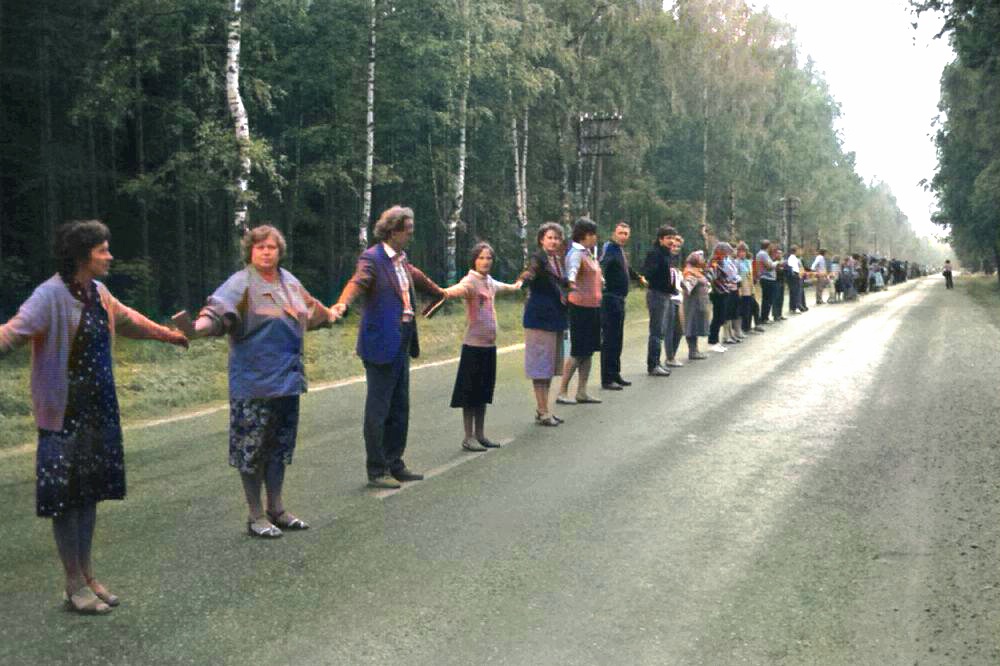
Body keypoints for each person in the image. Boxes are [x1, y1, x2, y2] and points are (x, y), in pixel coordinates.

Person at [0, 220, 188, 614]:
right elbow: (12, 333)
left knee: (88, 497)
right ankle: (72, 584)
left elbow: (130, 320)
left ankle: (87, 575)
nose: (109, 256)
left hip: (98, 410)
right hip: (63, 414)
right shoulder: (49, 295)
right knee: (67, 500)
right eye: (103, 250)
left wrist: (168, 335)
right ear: (84, 255)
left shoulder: (97, 292)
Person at [189, 225, 334, 537]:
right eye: (260, 247)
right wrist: (196, 328)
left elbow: (311, 308)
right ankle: (256, 515)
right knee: (251, 449)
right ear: (250, 252)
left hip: (287, 380)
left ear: (280, 251)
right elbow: (216, 312)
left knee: (279, 447)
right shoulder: (240, 283)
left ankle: (277, 508)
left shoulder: (289, 281)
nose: (266, 252)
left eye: (271, 247)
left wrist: (331, 315)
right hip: (253, 382)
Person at [331, 206, 445, 489]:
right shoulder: (373, 258)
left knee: (400, 406)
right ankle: (377, 469)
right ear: (393, 231)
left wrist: (443, 293)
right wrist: (343, 304)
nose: (411, 235)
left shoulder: (402, 261)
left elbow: (422, 281)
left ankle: (395, 463)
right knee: (379, 408)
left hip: (403, 339)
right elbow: (357, 282)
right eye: (408, 231)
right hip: (381, 342)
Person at [440, 242, 522, 451]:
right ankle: (469, 436)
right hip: (473, 346)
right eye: (481, 258)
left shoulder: (489, 282)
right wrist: (442, 293)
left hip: (489, 346)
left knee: (483, 393)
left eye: (488, 258)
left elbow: (505, 287)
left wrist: (518, 284)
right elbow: (458, 290)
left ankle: (480, 433)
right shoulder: (471, 281)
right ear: (474, 260)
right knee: (470, 394)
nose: (485, 262)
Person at [520, 222, 569, 427]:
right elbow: (530, 272)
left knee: (549, 367)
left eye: (557, 238)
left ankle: (544, 409)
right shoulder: (538, 258)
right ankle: (542, 410)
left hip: (555, 318)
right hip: (540, 319)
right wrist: (523, 280)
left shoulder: (557, 260)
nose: (553, 241)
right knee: (541, 367)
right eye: (549, 237)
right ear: (541, 239)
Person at [557, 218, 604, 405]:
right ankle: (562, 391)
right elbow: (572, 273)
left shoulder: (588, 254)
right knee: (577, 351)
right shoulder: (576, 253)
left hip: (593, 307)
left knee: (589, 350)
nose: (595, 238)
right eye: (593, 234)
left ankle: (582, 391)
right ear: (585, 235)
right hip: (580, 307)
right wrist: (571, 283)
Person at [598, 221, 645, 390]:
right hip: (610, 298)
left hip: (619, 299)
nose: (623, 236)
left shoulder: (619, 251)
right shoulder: (609, 248)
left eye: (626, 234)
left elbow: (626, 268)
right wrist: (601, 281)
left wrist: (638, 277)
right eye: (620, 233)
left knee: (617, 339)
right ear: (613, 233)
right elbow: (602, 264)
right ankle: (607, 378)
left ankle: (615, 373)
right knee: (609, 339)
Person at [642, 224, 679, 376]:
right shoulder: (655, 254)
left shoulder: (667, 254)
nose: (671, 241)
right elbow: (648, 273)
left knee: (661, 331)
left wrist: (671, 288)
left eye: (673, 238)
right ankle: (653, 364)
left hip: (665, 295)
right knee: (656, 331)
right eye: (668, 238)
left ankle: (657, 362)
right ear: (660, 239)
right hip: (656, 294)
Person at [707, 242, 736, 352]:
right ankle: (712, 341)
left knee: (721, 317)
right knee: (717, 317)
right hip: (717, 292)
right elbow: (712, 276)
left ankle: (716, 341)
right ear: (720, 251)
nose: (726, 255)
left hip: (724, 291)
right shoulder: (714, 261)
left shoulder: (722, 261)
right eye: (725, 253)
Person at [681, 250, 710, 360]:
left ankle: (695, 350)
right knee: (691, 324)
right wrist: (695, 281)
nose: (703, 260)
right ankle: (692, 351)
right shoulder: (689, 271)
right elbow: (687, 286)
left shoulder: (698, 270)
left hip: (700, 302)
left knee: (696, 324)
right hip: (692, 302)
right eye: (701, 258)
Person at [665, 233, 686, 367]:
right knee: (670, 328)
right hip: (668, 298)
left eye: (678, 246)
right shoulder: (665, 259)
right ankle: (670, 357)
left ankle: (673, 355)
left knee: (679, 329)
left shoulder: (677, 261)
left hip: (679, 298)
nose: (676, 248)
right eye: (674, 245)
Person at [735, 242, 762, 335]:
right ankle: (746, 327)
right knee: (745, 309)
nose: (743, 253)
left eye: (744, 252)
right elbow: (736, 276)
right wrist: (739, 289)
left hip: (750, 288)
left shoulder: (747, 262)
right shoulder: (736, 262)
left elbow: (750, 274)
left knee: (754, 306)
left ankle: (754, 325)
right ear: (738, 252)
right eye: (741, 251)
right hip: (743, 288)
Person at [755, 240, 776, 324]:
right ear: (768, 246)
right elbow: (769, 266)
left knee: (768, 299)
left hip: (768, 278)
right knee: (767, 299)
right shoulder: (763, 254)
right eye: (771, 246)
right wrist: (776, 263)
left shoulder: (764, 254)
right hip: (766, 278)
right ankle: (764, 317)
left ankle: (765, 316)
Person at [786, 245, 807, 313]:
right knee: (795, 292)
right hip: (794, 276)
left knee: (795, 292)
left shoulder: (794, 258)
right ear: (795, 251)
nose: (798, 251)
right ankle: (794, 307)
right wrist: (797, 275)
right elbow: (792, 268)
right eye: (797, 250)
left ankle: (794, 307)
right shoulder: (792, 258)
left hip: (797, 276)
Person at [771, 246, 787, 320]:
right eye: (778, 253)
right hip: (776, 281)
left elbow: (785, 270)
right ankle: (775, 315)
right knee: (776, 298)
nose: (779, 255)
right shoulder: (773, 261)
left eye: (781, 254)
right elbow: (778, 271)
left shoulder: (783, 262)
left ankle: (780, 314)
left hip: (782, 281)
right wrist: (782, 268)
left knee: (781, 298)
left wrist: (783, 268)